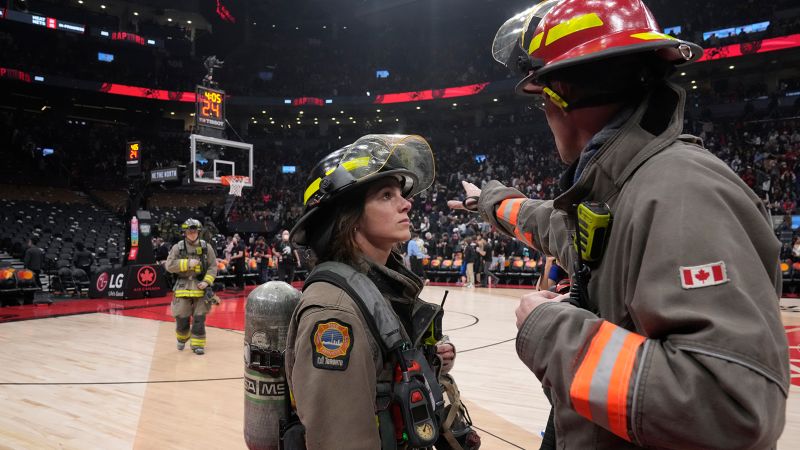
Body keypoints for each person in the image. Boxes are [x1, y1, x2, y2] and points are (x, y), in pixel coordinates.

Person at [449, 0, 789, 448]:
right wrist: (487, 202)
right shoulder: (618, 190)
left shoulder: (680, 190)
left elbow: (730, 410)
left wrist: (551, 327)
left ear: (559, 96)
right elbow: (544, 221)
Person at [285, 135, 472, 449]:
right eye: (386, 195)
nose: (406, 202)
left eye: (400, 193)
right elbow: (341, 440)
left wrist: (427, 361)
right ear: (349, 216)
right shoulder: (334, 313)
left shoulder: (382, 288)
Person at [164, 218, 218, 355]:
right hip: (182, 286)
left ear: (198, 232)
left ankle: (198, 344)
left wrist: (206, 282)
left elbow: (213, 267)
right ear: (185, 232)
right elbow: (169, 266)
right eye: (189, 231)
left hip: (201, 288)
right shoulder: (178, 247)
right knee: (181, 316)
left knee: (199, 317)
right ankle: (182, 337)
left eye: (194, 231)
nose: (192, 233)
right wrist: (187, 263)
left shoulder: (207, 247)